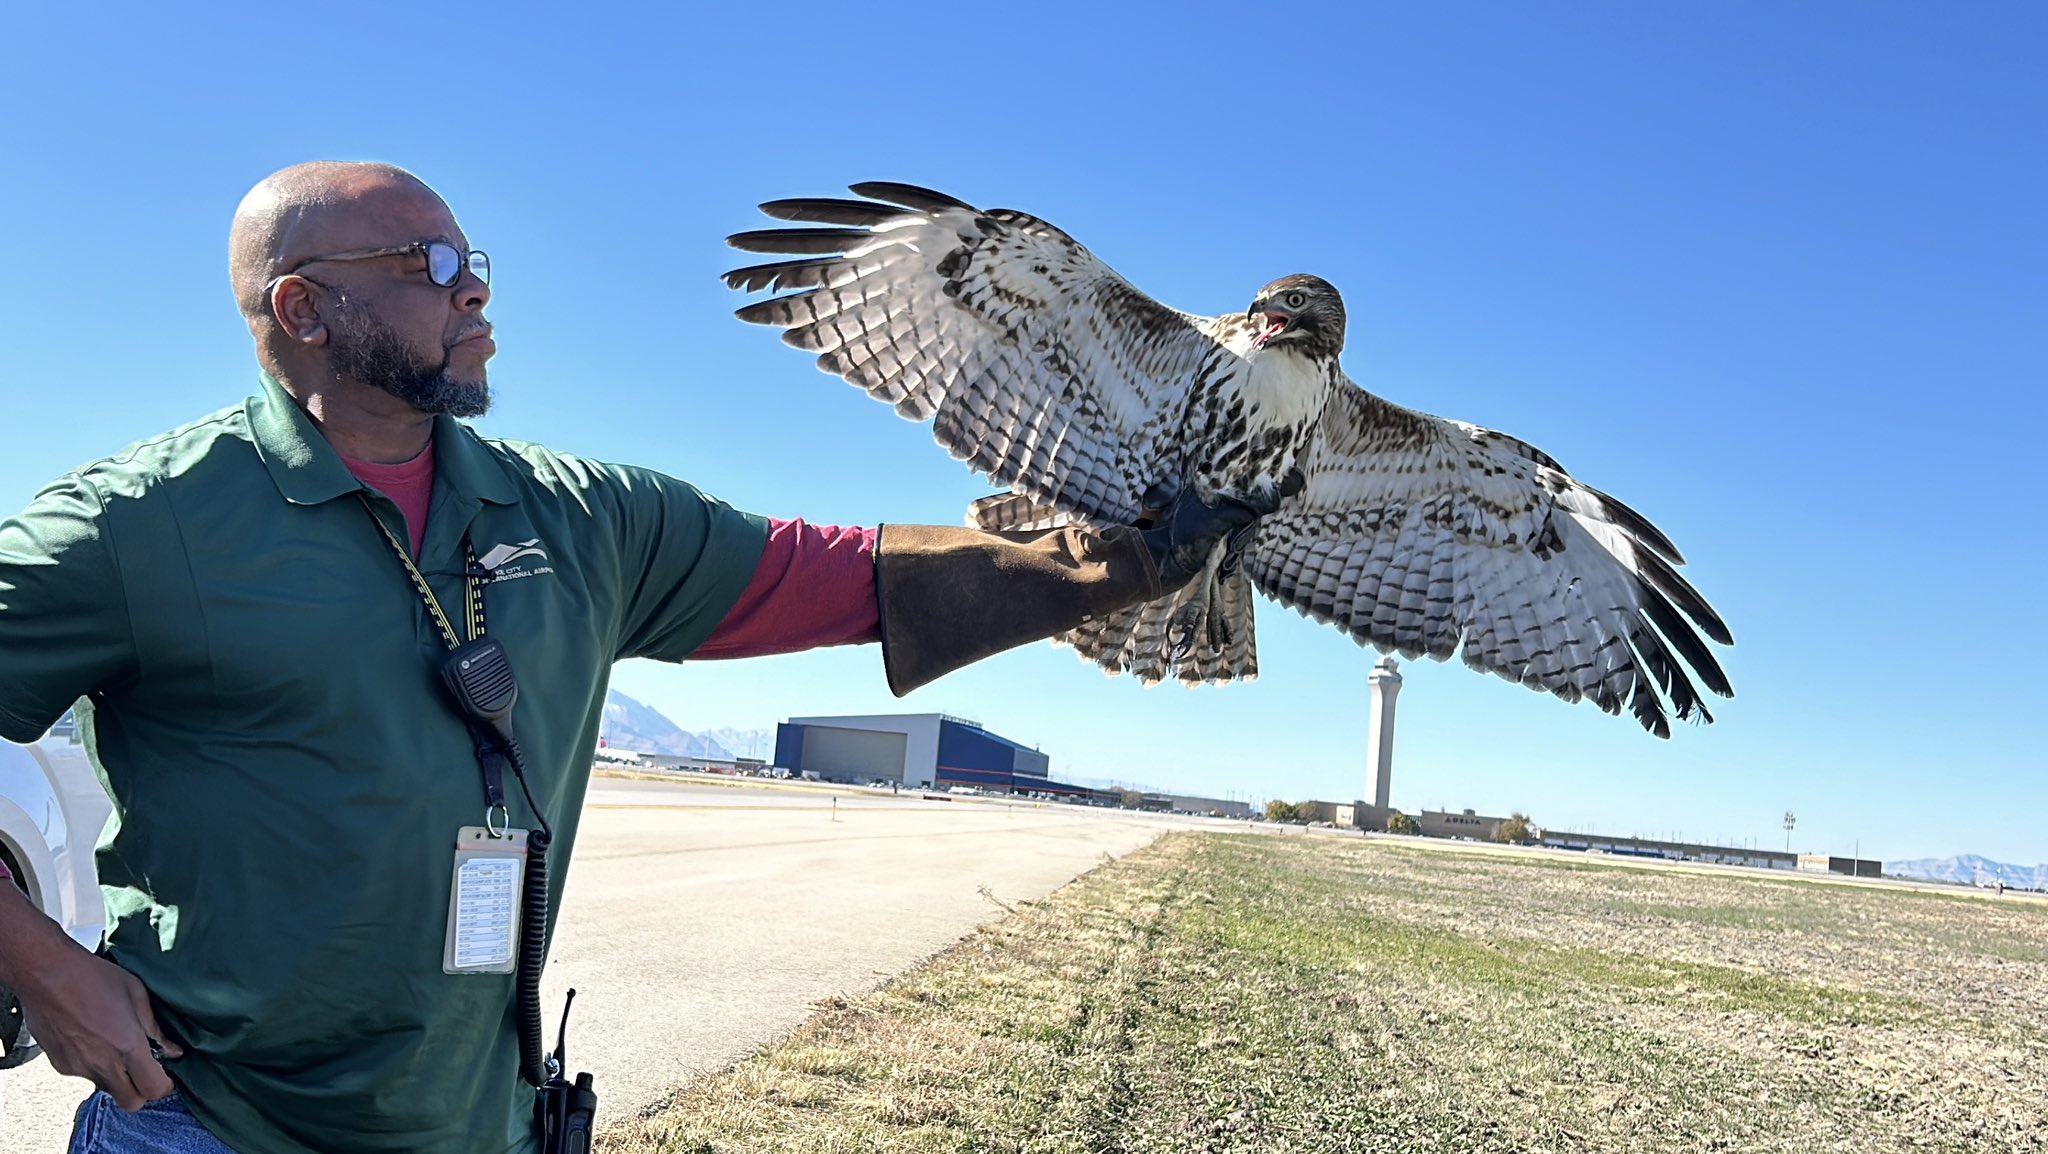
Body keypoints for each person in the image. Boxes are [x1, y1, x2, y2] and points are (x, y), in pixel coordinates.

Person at [0, 162, 1268, 1154]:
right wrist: (44, 966)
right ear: (303, 308)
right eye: (432, 263)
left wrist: (1119, 562)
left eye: (475, 262)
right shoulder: (139, 526)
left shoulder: (580, 517)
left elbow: (835, 572)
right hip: (207, 1122)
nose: (475, 290)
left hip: (475, 1123)